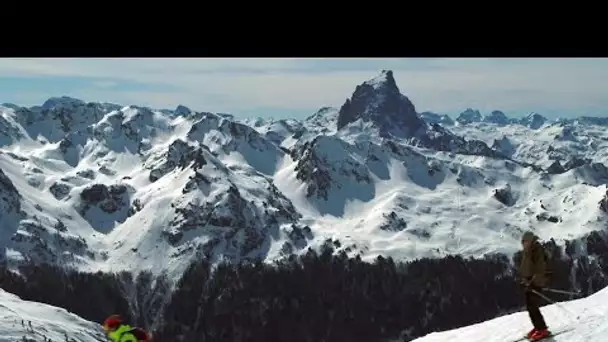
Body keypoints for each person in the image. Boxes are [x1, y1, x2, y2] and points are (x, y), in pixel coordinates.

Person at [518, 231, 551, 341]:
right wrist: (524, 279)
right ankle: (538, 327)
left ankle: (542, 329)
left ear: (531, 241)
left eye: (525, 241)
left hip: (535, 283)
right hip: (529, 282)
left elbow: (540, 269)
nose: (523, 243)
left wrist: (532, 282)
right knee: (530, 307)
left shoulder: (536, 251)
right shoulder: (528, 251)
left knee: (533, 307)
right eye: (523, 241)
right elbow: (527, 267)